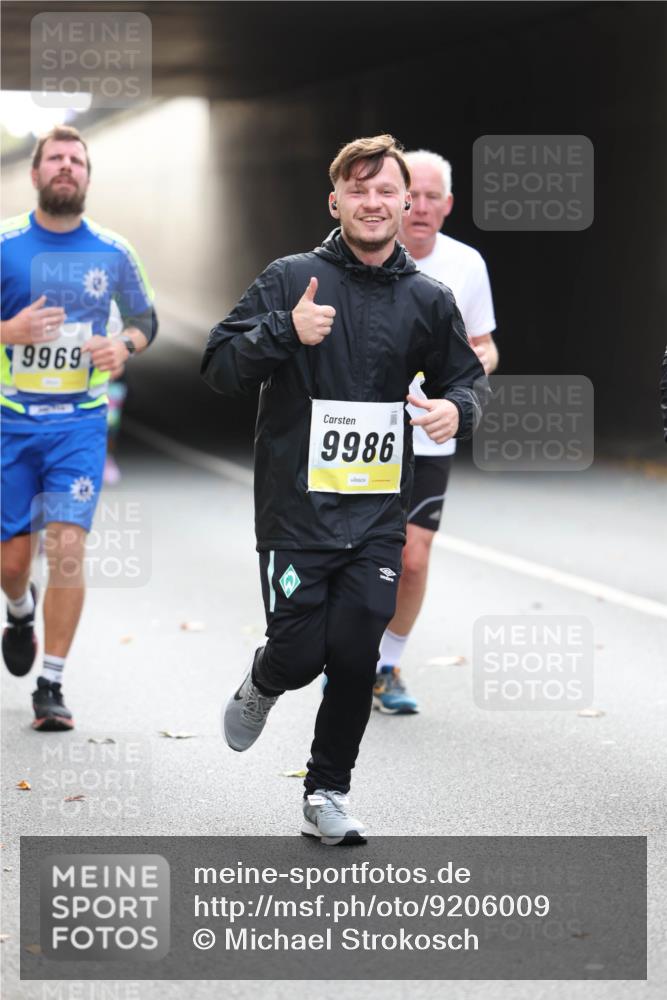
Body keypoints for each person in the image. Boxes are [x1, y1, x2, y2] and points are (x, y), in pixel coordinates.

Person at [201, 134, 486, 844]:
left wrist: (458, 409)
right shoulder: (291, 277)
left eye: (385, 190)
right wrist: (283, 331)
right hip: (296, 511)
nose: (372, 202)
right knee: (299, 657)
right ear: (335, 201)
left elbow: (464, 377)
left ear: (404, 204)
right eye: (357, 190)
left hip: (377, 513)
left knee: (357, 653)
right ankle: (264, 681)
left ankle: (326, 792)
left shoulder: (427, 296)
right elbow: (219, 367)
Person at [1, 125, 158, 730]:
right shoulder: (6, 244)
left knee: (66, 549)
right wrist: (8, 332)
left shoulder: (113, 250)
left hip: (79, 426)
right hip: (10, 422)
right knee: (14, 562)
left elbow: (146, 318)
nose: (67, 167)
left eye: (77, 160)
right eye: (56, 159)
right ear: (36, 173)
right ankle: (19, 611)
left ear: (88, 177)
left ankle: (52, 684)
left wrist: (124, 344)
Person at [374, 149, 499, 714]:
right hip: (366, 433)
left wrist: (470, 377)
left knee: (414, 559)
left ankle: (385, 665)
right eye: (412, 195)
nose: (419, 207)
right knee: (359, 556)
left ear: (447, 206)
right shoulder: (367, 255)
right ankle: (346, 655)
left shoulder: (466, 265)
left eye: (432, 198)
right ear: (397, 198)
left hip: (429, 435)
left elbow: (484, 343)